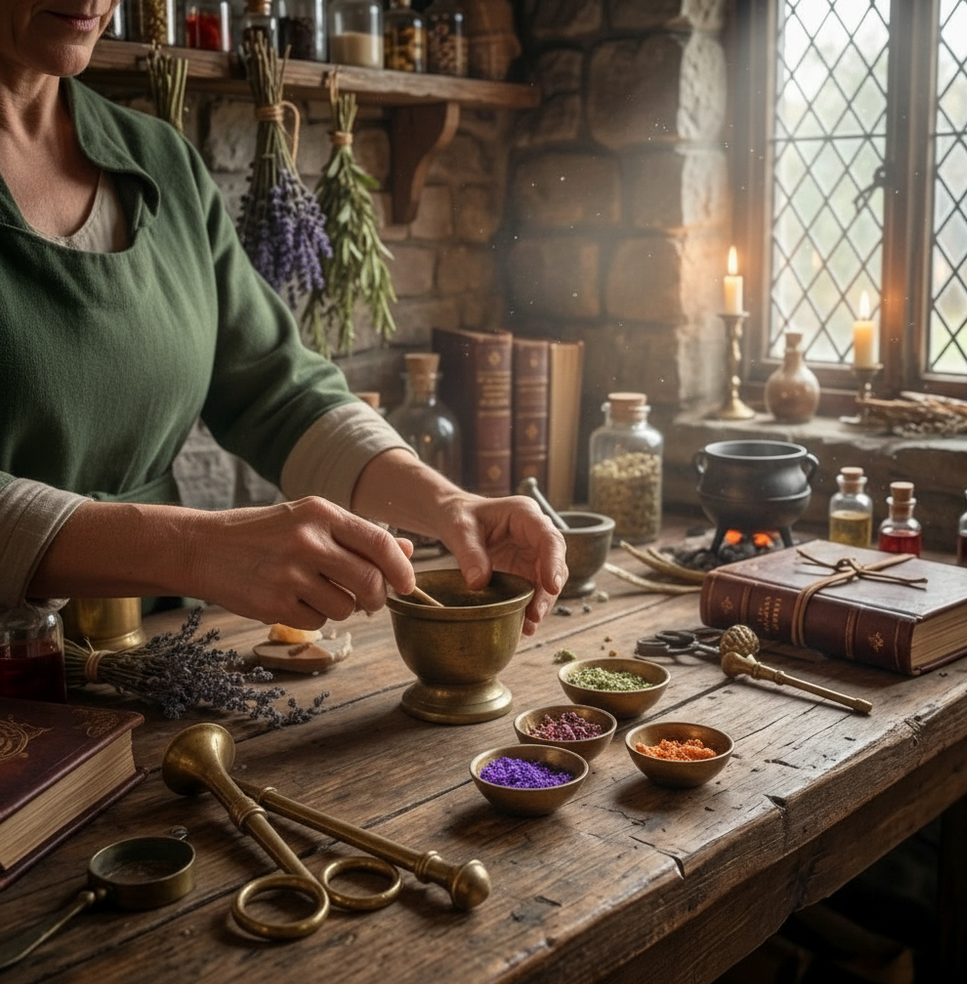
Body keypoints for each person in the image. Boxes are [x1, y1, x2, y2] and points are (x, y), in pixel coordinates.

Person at [0, 4, 566, 635]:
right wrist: (195, 548)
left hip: (154, 649)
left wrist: (450, 505)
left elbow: (277, 391)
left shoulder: (161, 161)